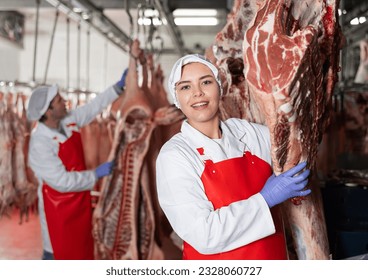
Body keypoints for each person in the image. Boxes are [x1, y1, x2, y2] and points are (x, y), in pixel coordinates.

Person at [155, 54, 311, 260]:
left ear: (220, 87)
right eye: (185, 87)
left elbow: (293, 146)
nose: (198, 93)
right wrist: (265, 199)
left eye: (206, 82)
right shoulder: (174, 156)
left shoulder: (247, 132)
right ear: (176, 98)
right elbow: (204, 234)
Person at [27, 70, 128, 260]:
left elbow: (92, 108)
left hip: (79, 201)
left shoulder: (67, 121)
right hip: (58, 209)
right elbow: (62, 181)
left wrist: (117, 87)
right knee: (57, 254)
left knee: (81, 251)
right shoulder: (40, 143)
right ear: (48, 111)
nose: (64, 101)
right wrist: (95, 174)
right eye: (58, 100)